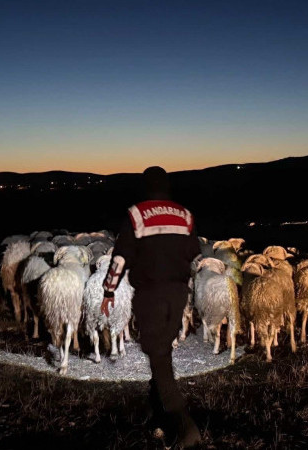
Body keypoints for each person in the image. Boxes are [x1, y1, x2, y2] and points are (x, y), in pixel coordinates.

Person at [100, 166, 202, 448]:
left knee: (158, 356)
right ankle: (158, 416)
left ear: (146, 186)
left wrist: (109, 291)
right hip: (178, 293)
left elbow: (120, 258)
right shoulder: (185, 215)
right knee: (162, 349)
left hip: (150, 294)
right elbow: (194, 252)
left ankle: (185, 426)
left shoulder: (136, 214)